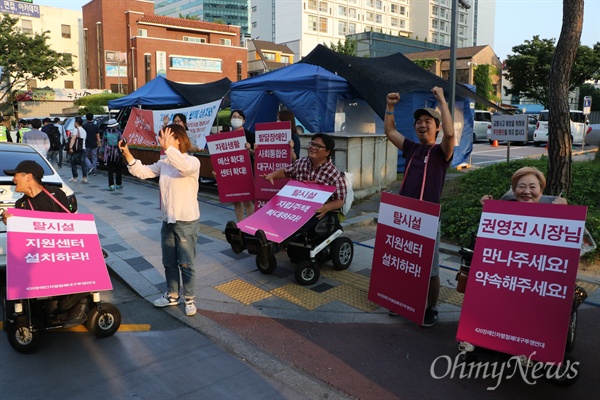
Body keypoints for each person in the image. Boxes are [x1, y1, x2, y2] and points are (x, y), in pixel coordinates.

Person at [384, 86, 454, 327]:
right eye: (419, 122)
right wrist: (390, 107)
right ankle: (400, 299)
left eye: (428, 121)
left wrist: (442, 102)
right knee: (402, 261)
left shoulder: (441, 152)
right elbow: (390, 130)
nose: (422, 125)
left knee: (431, 269)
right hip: (404, 216)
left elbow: (451, 137)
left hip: (428, 218)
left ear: (437, 127)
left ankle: (430, 307)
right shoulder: (411, 148)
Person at [119, 124, 201, 317]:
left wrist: (169, 148)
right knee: (169, 261)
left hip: (186, 221)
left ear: (178, 140)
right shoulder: (164, 163)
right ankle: (173, 295)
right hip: (168, 221)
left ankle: (189, 299)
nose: (161, 141)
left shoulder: (192, 162)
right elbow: (143, 171)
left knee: (186, 263)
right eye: (161, 137)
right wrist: (128, 154)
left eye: (166, 137)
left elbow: (183, 166)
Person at [1, 160, 87, 326]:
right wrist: (9, 222)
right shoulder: (21, 204)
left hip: (60, 256)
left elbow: (71, 226)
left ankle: (73, 301)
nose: (13, 180)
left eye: (16, 176)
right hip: (37, 259)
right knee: (11, 286)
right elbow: (21, 238)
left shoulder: (56, 194)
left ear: (29, 177)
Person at [263, 133, 347, 222]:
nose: (313, 148)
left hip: (317, 213)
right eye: (312, 144)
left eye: (318, 146)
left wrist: (326, 207)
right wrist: (272, 176)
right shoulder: (302, 162)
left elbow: (340, 200)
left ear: (327, 152)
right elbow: (286, 171)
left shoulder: (333, 174)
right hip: (297, 209)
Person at [480, 166, 568, 205]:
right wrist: (488, 207)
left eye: (532, 187)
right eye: (521, 186)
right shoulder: (507, 203)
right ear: (514, 189)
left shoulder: (553, 205)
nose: (526, 191)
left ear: (541, 189)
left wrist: (563, 212)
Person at [229, 109, 255, 221]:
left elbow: (257, 155)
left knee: (248, 200)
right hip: (232, 171)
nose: (236, 119)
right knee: (236, 199)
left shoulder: (250, 135)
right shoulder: (226, 137)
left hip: (247, 171)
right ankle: (240, 224)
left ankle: (250, 223)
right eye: (234, 117)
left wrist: (249, 149)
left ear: (244, 121)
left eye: (239, 117)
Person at [102, 118, 124, 191]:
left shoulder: (105, 132)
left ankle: (111, 185)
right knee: (118, 169)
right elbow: (120, 142)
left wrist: (101, 152)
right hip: (117, 153)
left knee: (110, 170)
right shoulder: (118, 132)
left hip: (108, 153)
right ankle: (118, 184)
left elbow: (103, 143)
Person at [68, 116, 88, 183]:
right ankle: (84, 177)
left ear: (76, 123)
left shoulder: (75, 130)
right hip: (83, 148)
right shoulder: (84, 130)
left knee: (73, 163)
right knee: (83, 163)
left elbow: (73, 139)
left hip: (76, 149)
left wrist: (70, 147)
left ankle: (75, 177)